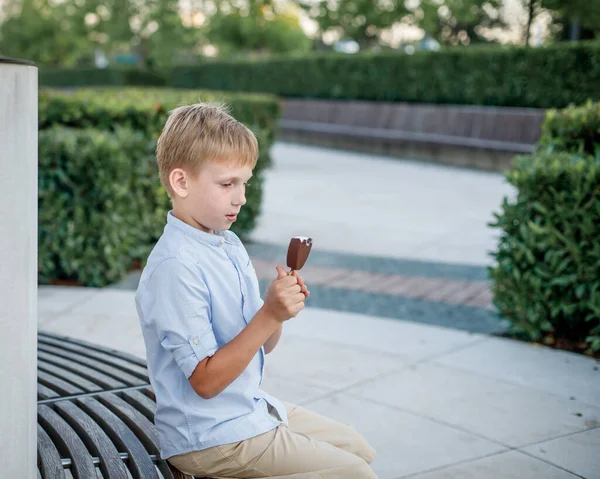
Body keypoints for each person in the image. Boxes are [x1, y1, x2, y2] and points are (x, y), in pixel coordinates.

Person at [135, 103, 377, 478]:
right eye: (227, 183)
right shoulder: (176, 267)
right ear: (181, 182)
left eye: (245, 182)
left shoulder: (227, 245)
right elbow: (206, 381)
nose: (241, 197)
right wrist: (269, 315)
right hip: (209, 437)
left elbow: (263, 344)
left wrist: (275, 307)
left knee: (357, 448)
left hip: (245, 410)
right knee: (354, 474)